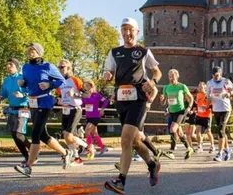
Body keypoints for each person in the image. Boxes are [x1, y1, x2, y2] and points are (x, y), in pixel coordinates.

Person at [103, 17, 161, 194]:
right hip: (121, 98)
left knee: (126, 139)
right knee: (135, 142)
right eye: (124, 29)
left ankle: (121, 181)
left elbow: (157, 71)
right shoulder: (114, 52)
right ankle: (152, 164)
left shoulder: (143, 52)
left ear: (136, 32)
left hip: (138, 99)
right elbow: (109, 71)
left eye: (130, 30)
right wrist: (107, 75)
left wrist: (153, 81)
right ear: (121, 31)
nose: (127, 33)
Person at [14, 43, 73, 177]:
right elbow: (28, 85)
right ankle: (65, 153)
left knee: (35, 133)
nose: (29, 52)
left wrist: (49, 84)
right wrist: (23, 85)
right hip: (33, 102)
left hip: (45, 102)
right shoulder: (26, 67)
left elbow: (62, 81)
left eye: (32, 50)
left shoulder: (48, 66)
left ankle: (28, 166)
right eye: (28, 50)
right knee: (42, 135)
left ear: (39, 52)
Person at [0, 58, 31, 165]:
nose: (8, 66)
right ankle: (27, 156)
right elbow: (4, 94)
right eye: (7, 64)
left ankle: (34, 151)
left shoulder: (22, 78)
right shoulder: (6, 80)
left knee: (19, 133)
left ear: (16, 66)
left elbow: (32, 91)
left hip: (23, 108)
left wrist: (23, 95)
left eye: (11, 64)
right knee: (13, 134)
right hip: (12, 109)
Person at [56, 59, 86, 165]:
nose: (60, 69)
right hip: (65, 110)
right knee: (66, 135)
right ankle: (77, 158)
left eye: (62, 67)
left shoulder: (76, 80)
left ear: (69, 68)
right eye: (58, 67)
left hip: (75, 109)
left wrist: (76, 95)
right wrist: (59, 100)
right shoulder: (59, 83)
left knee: (68, 135)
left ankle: (86, 146)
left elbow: (87, 94)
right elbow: (60, 96)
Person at [159, 69, 194, 160]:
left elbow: (191, 98)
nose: (171, 78)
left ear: (177, 77)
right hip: (172, 112)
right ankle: (189, 148)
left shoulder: (182, 86)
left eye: (173, 77)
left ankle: (172, 151)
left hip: (180, 111)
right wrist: (162, 99)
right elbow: (163, 103)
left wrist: (189, 107)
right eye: (170, 77)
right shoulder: (166, 87)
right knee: (179, 132)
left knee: (172, 129)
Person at [206, 66, 233, 162]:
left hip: (225, 108)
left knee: (220, 130)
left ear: (221, 74)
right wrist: (209, 99)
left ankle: (219, 153)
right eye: (214, 75)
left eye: (217, 75)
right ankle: (227, 149)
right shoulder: (209, 83)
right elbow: (207, 94)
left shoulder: (226, 81)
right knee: (222, 131)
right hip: (216, 108)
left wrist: (229, 94)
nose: (215, 77)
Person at [81, 79, 109, 159]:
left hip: (96, 116)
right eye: (85, 86)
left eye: (87, 86)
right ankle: (103, 147)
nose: (86, 88)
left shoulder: (96, 95)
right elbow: (83, 105)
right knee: (95, 133)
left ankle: (90, 148)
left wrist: (102, 109)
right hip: (89, 117)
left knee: (87, 131)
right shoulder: (85, 96)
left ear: (91, 86)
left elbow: (105, 101)